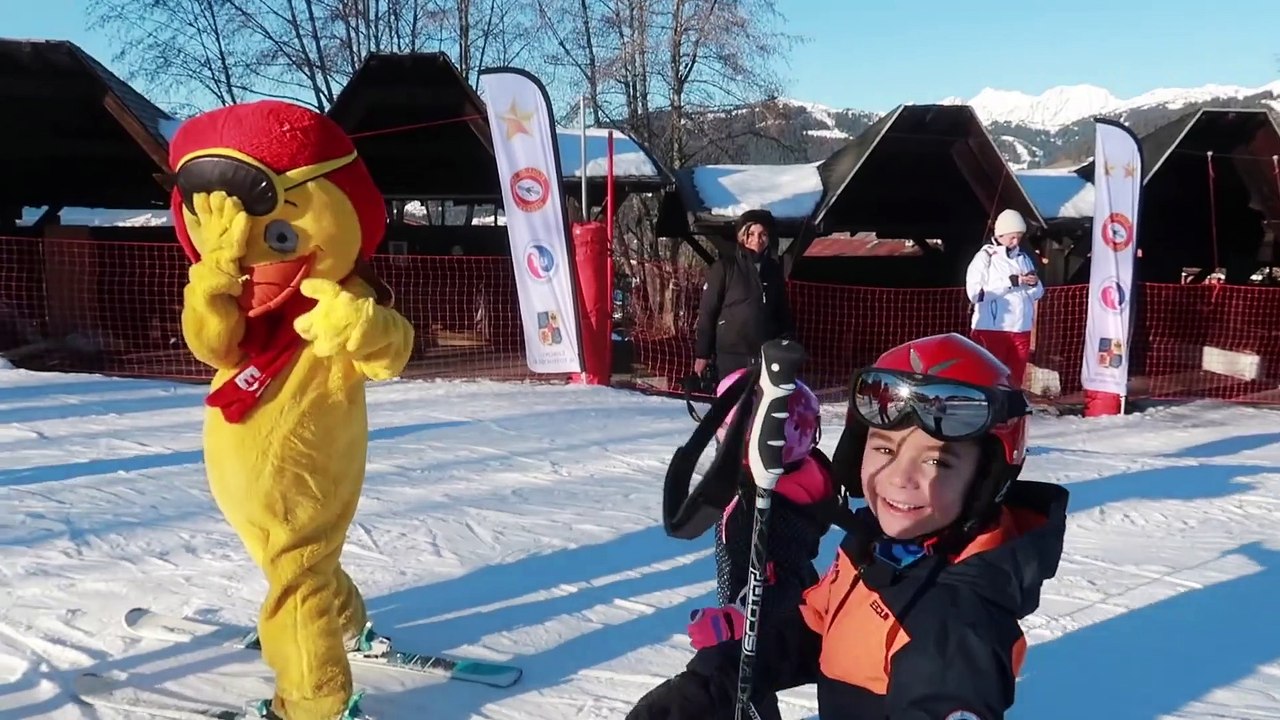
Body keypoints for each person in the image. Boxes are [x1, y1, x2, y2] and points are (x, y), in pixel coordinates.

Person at [628, 333, 1069, 720]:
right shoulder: (879, 548)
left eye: (937, 460)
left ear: (986, 479)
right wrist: (726, 670)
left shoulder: (954, 631)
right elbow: (821, 629)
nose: (900, 477)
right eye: (884, 449)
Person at [663, 366, 839, 720]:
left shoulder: (765, 510)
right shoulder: (787, 479)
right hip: (765, 599)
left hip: (769, 615)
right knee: (751, 680)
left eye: (726, 434)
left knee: (742, 681)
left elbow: (781, 582)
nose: (719, 442)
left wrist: (736, 618)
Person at [692, 209, 793, 386]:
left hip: (765, 355)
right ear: (741, 236)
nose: (757, 240)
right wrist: (703, 354)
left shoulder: (773, 270)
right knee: (732, 409)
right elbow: (708, 312)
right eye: (751, 234)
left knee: (759, 410)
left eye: (763, 234)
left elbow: (782, 311)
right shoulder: (725, 267)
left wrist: (787, 344)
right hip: (731, 355)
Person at [965, 208, 1043, 389]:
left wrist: (1033, 284)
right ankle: (989, 414)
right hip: (993, 329)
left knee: (1015, 379)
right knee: (990, 377)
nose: (1016, 242)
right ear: (1000, 234)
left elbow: (1038, 293)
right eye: (1012, 237)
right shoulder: (985, 257)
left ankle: (1013, 415)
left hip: (1021, 329)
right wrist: (1010, 282)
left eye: (1019, 237)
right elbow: (976, 294)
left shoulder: (1023, 258)